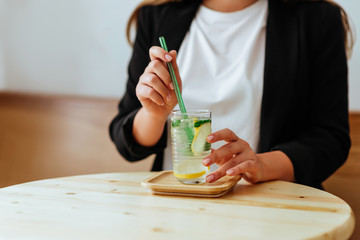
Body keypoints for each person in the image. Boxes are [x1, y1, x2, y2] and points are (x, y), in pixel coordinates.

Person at [109, 0, 353, 189]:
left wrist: (260, 164)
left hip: (272, 209)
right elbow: (126, 142)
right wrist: (154, 113)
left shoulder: (317, 18)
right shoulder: (156, 16)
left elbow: (330, 139)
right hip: (173, 204)